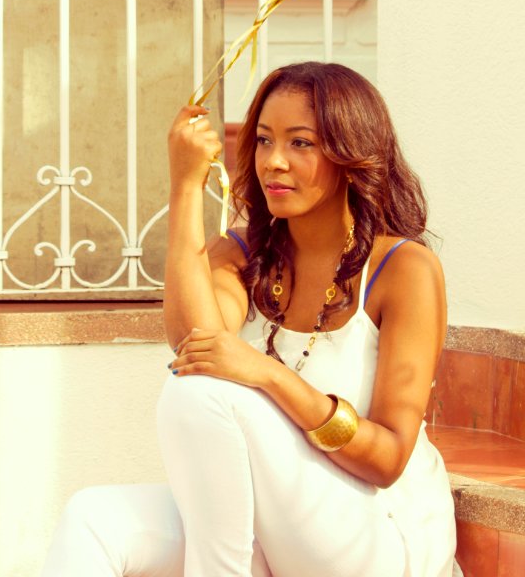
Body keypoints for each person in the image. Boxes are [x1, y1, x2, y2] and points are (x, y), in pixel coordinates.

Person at [40, 61, 462, 577]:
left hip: (376, 532)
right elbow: (195, 342)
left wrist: (268, 374)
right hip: (270, 521)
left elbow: (389, 458)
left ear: (350, 154)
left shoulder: (403, 269)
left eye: (300, 143)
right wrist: (185, 188)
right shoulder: (248, 252)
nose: (274, 162)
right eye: (263, 141)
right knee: (93, 518)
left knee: (198, 390)